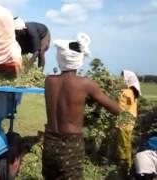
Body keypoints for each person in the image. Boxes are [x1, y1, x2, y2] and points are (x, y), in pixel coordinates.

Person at [42, 33, 121, 180]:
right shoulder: (85, 84)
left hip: (50, 142)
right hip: (70, 145)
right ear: (79, 60)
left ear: (60, 58)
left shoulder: (49, 81)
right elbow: (115, 110)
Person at [113, 70, 141, 174]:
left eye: (122, 78)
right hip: (129, 120)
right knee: (126, 142)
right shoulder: (133, 90)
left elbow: (120, 107)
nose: (121, 80)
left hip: (125, 120)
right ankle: (127, 163)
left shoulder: (126, 92)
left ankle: (125, 166)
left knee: (124, 143)